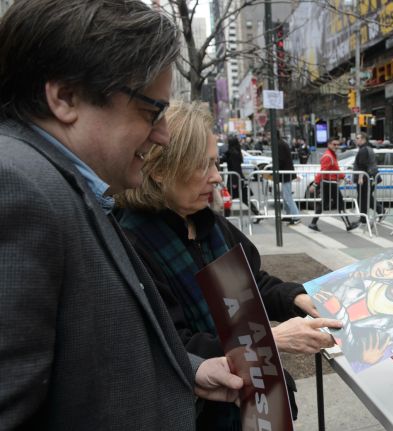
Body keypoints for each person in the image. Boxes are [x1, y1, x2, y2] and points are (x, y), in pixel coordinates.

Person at [0, 1, 241, 428]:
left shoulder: (63, 187)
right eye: (151, 111)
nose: (163, 135)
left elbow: (86, 358)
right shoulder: (18, 190)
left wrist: (188, 369)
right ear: (66, 97)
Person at [116, 102, 342, 429]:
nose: (217, 176)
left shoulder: (212, 226)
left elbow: (255, 284)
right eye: (202, 165)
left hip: (256, 405)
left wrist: (297, 298)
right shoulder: (133, 243)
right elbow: (173, 345)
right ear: (160, 168)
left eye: (216, 162)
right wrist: (271, 339)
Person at [308, 138, 360, 232]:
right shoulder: (328, 156)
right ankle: (348, 225)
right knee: (340, 204)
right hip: (330, 184)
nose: (336, 146)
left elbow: (336, 169)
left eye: (337, 144)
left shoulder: (332, 155)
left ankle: (313, 223)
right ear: (329, 144)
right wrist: (315, 184)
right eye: (334, 144)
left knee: (324, 203)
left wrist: (344, 178)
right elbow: (322, 172)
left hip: (330, 183)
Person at [353, 131, 383, 224]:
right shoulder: (366, 148)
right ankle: (366, 217)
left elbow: (363, 165)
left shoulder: (363, 150)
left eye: (358, 138)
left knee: (364, 198)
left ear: (363, 139)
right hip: (369, 178)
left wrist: (360, 177)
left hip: (366, 178)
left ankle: (379, 211)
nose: (356, 140)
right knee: (365, 198)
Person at [277, 133, 301, 224]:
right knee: (285, 195)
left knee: (287, 196)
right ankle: (289, 215)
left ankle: (296, 216)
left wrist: (275, 168)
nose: (268, 137)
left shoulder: (280, 144)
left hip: (285, 173)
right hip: (286, 173)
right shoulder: (282, 143)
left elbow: (281, 159)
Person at [222, 134, 244, 199]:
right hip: (235, 178)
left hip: (234, 179)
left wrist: (235, 182)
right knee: (243, 197)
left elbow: (235, 168)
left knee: (228, 198)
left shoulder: (233, 154)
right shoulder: (235, 152)